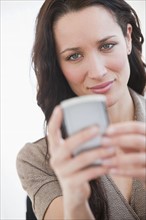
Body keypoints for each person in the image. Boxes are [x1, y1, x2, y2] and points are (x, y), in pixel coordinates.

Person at [16, 0, 146, 219]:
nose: (97, 71)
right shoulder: (38, 159)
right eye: (74, 56)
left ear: (127, 38)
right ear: (58, 66)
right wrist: (76, 200)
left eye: (107, 45)